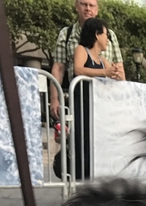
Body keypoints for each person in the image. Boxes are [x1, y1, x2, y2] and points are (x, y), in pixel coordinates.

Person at [50, 0, 124, 120]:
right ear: (76, 6)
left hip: (105, 102)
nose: (88, 8)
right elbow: (59, 68)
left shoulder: (110, 35)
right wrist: (54, 99)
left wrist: (123, 98)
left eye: (91, 5)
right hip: (80, 100)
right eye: (84, 4)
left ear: (97, 9)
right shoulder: (66, 34)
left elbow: (119, 69)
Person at [72, 18, 124, 180]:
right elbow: (78, 69)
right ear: (96, 34)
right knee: (83, 143)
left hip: (98, 112)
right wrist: (105, 73)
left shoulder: (103, 60)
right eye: (106, 34)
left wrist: (117, 73)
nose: (107, 39)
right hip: (83, 107)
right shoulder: (81, 50)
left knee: (97, 145)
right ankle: (81, 181)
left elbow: (118, 78)